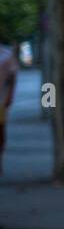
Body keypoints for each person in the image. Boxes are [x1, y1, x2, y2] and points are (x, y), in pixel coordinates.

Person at [0, 38, 18, 176]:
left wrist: (9, 96)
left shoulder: (6, 54)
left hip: (0, 100)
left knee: (0, 130)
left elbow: (12, 77)